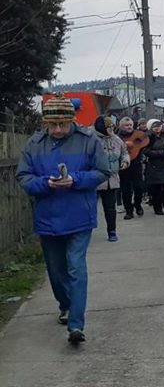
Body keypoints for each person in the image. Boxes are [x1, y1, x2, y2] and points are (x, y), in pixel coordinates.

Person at [16, 95, 109, 344]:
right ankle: (65, 304)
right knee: (56, 271)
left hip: (79, 213)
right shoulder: (34, 145)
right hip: (48, 216)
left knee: (76, 267)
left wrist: (76, 180)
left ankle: (76, 325)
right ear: (46, 123)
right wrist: (44, 184)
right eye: (53, 125)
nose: (58, 130)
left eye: (63, 124)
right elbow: (23, 176)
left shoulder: (88, 141)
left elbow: (102, 171)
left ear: (72, 120)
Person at [93, 116, 129, 242]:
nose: (112, 129)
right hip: (95, 180)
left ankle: (112, 231)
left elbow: (124, 152)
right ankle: (86, 230)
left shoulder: (116, 139)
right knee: (90, 208)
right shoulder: (92, 139)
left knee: (110, 208)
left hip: (111, 179)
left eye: (113, 127)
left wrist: (125, 161)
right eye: (109, 127)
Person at [116, 116, 146, 219]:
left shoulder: (138, 134)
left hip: (136, 164)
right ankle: (129, 210)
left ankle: (138, 205)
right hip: (123, 166)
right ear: (121, 126)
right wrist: (125, 145)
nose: (129, 127)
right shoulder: (117, 137)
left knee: (139, 187)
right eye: (126, 125)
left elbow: (146, 139)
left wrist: (137, 145)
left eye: (130, 125)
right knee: (126, 190)